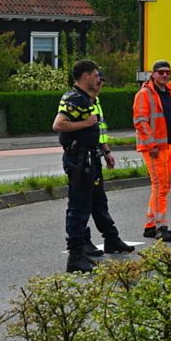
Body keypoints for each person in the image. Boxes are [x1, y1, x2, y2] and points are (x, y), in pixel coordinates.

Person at [53, 60, 134, 274]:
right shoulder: (73, 98)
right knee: (79, 209)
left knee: (98, 202)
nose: (99, 79)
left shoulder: (88, 99)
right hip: (79, 160)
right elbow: (59, 124)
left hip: (91, 157)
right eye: (97, 75)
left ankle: (110, 240)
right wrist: (85, 123)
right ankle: (75, 257)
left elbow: (95, 130)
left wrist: (105, 150)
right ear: (85, 76)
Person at [134, 59, 171, 242]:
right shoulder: (144, 94)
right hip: (155, 148)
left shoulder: (170, 92)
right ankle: (161, 227)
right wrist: (151, 144)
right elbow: (140, 121)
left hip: (169, 146)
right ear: (152, 74)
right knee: (160, 186)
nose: (164, 75)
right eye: (161, 72)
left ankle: (150, 226)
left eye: (167, 72)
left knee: (164, 186)